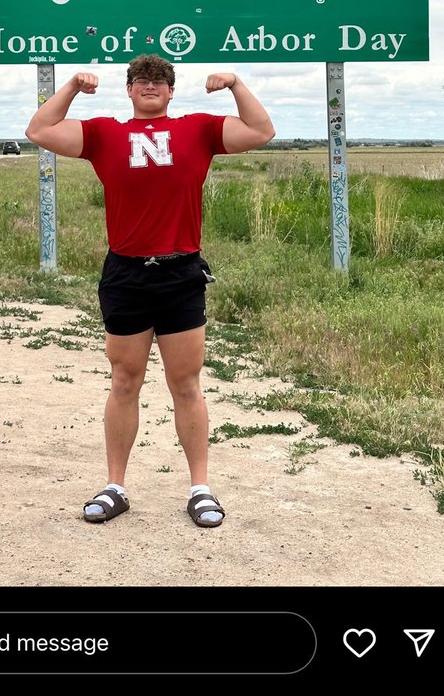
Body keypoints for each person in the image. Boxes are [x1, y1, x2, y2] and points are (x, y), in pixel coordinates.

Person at [25, 55, 275, 528]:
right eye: (140, 79)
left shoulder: (198, 130)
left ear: (172, 90)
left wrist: (236, 83)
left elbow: (261, 131)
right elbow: (40, 130)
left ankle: (200, 488)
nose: (150, 85)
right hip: (125, 274)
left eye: (160, 80)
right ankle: (115, 485)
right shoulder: (104, 135)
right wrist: (74, 86)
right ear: (129, 89)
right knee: (124, 380)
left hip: (180, 273)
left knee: (185, 384)